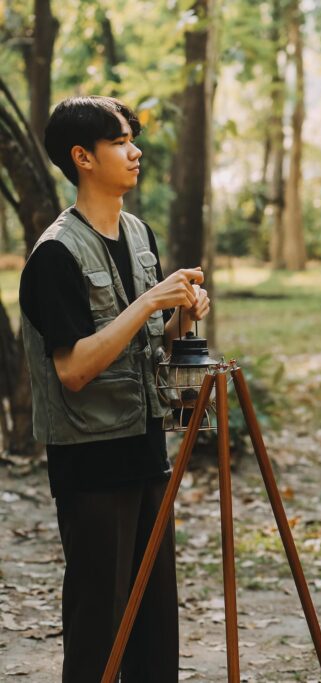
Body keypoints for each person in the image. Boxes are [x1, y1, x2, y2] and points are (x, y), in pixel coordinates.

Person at [19, 95, 210, 682]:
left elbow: (142, 344)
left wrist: (178, 315)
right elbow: (74, 368)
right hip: (92, 460)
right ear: (83, 157)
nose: (136, 152)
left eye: (133, 139)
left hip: (147, 448)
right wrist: (151, 299)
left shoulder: (138, 234)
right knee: (98, 628)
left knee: (154, 629)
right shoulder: (54, 254)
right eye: (121, 141)